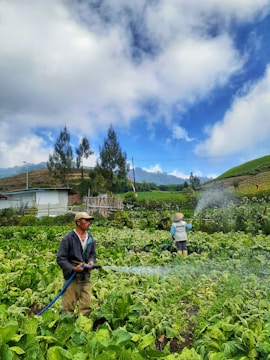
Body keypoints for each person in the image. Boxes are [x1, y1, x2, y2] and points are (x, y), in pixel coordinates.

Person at [57, 212, 96, 316]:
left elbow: (92, 254)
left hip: (85, 277)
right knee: (68, 306)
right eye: (86, 220)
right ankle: (66, 328)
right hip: (72, 279)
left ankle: (83, 327)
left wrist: (91, 261)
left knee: (86, 306)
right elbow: (61, 259)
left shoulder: (90, 238)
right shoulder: (68, 238)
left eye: (89, 220)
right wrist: (73, 268)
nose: (89, 223)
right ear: (78, 222)